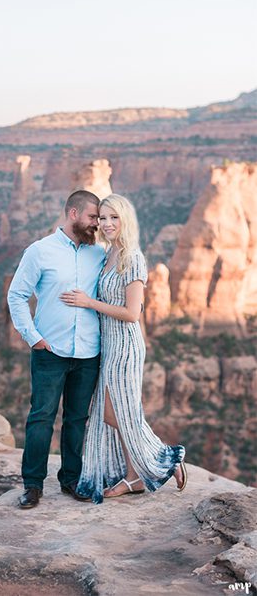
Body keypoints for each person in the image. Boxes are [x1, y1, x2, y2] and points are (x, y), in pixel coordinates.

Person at [61, 194, 187, 502]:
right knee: (110, 412)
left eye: (113, 217)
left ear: (125, 220)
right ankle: (134, 477)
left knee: (114, 411)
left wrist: (89, 303)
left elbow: (132, 313)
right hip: (108, 345)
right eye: (102, 218)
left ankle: (164, 458)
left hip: (126, 347)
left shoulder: (133, 258)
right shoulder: (108, 255)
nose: (106, 224)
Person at [6, 190, 106, 509]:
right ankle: (33, 485)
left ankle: (71, 480)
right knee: (42, 418)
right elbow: (17, 295)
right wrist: (32, 336)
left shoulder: (99, 254)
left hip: (89, 352)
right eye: (93, 217)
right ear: (73, 214)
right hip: (50, 350)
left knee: (77, 419)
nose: (97, 224)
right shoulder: (40, 251)